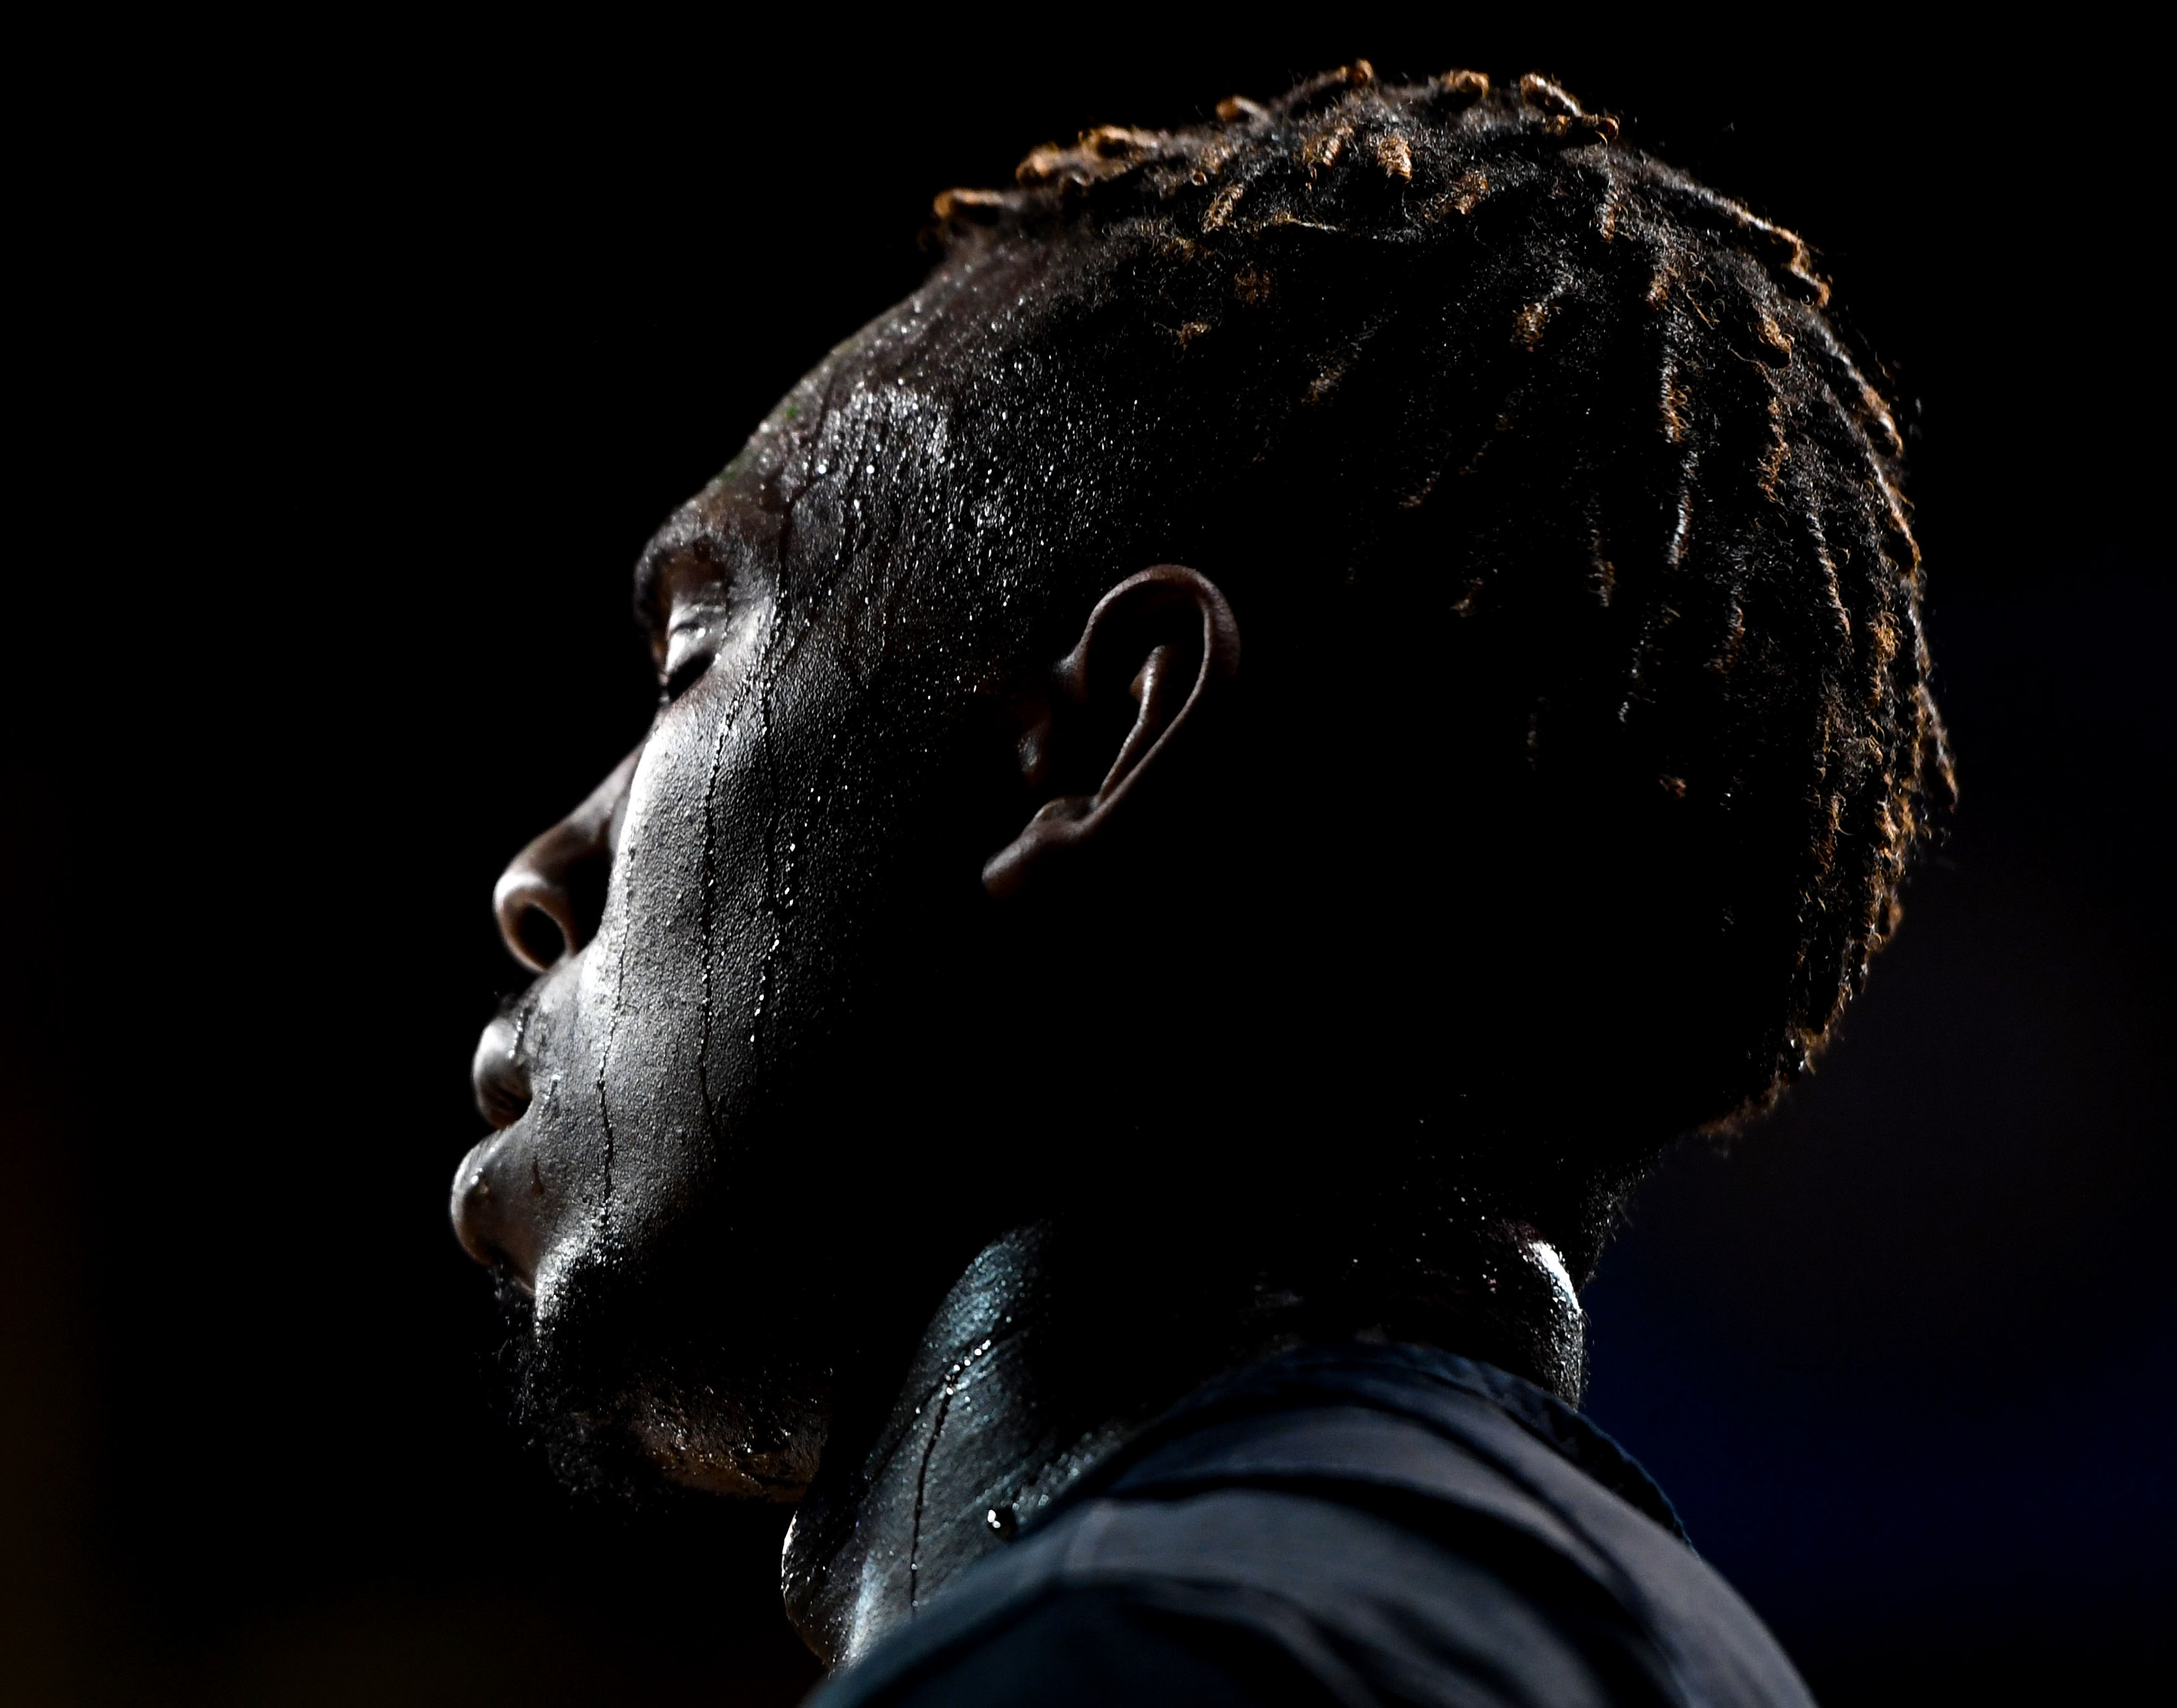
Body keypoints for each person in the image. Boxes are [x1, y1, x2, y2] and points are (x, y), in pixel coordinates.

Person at [457, 63, 1948, 1705]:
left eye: (690, 655)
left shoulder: (1130, 1657)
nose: (545, 873)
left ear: (1095, 739)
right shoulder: (1654, 1652)